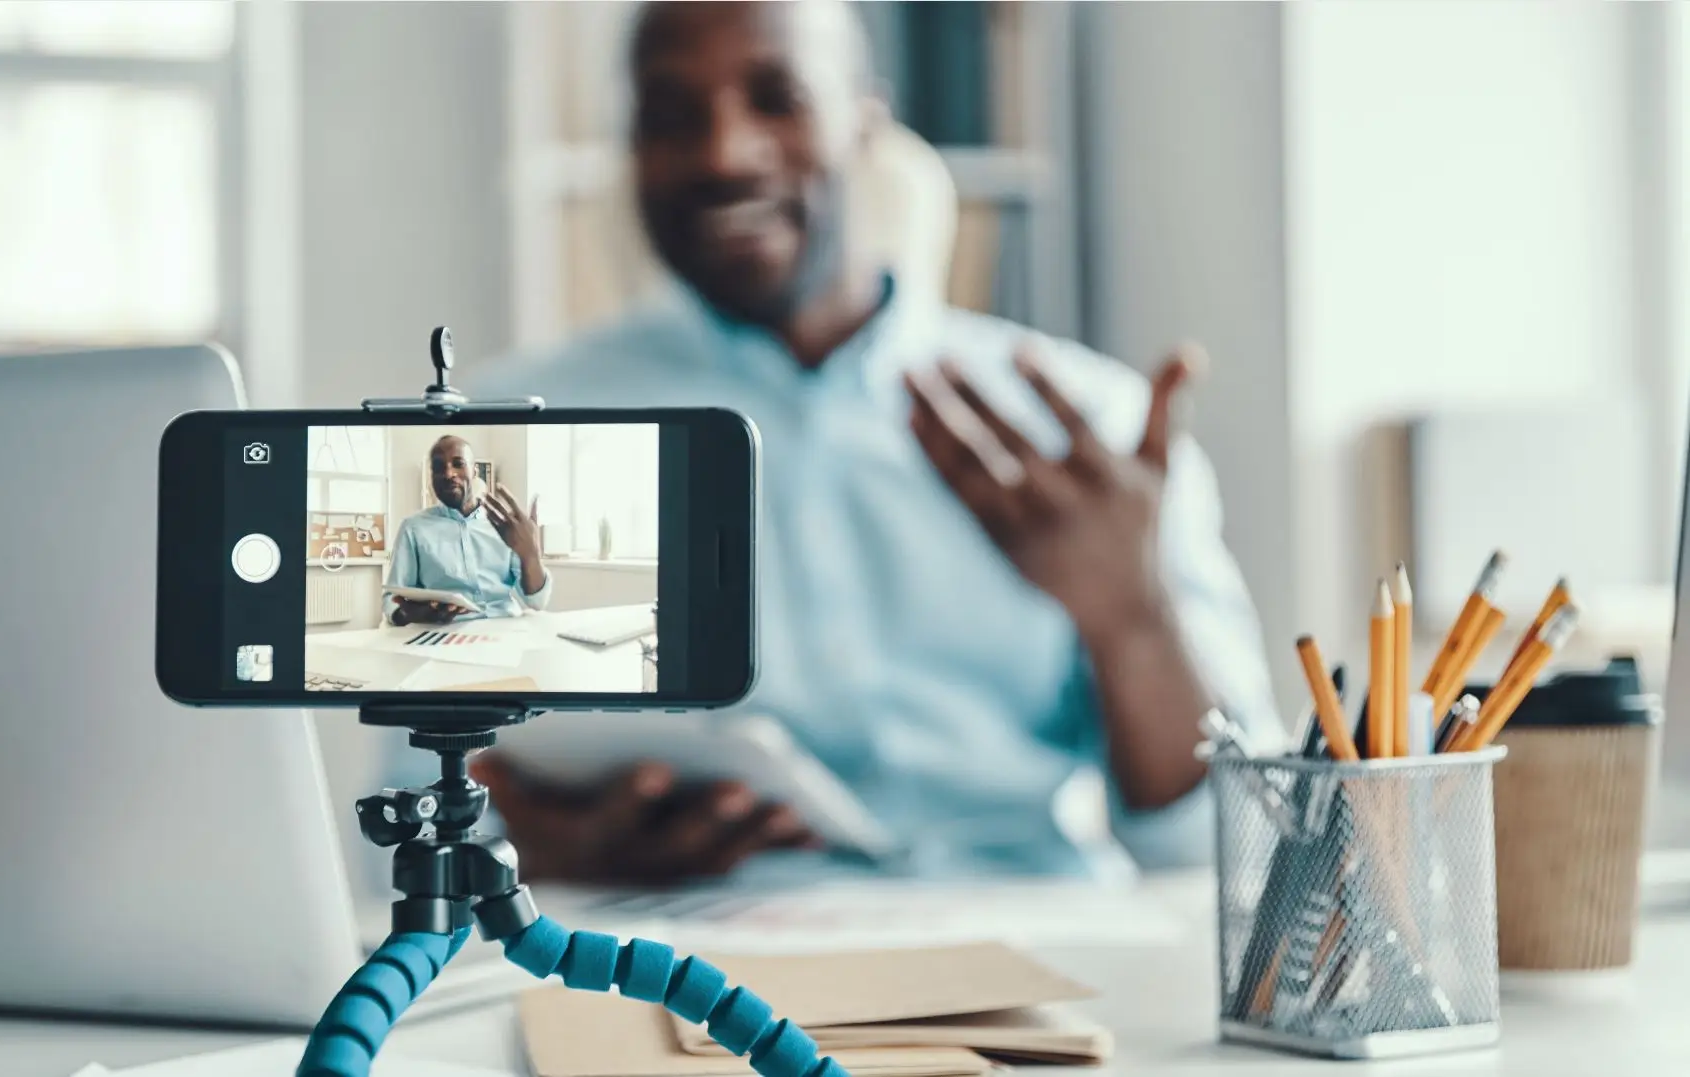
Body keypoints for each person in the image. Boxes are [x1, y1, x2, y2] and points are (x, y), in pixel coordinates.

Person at [467, 0, 1281, 885]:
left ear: (865, 120)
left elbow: (1229, 856)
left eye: (777, 97)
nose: (724, 153)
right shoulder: (512, 431)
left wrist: (1133, 618)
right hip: (676, 966)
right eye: (671, 117)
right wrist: (548, 852)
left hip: (1040, 949)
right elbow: (396, 832)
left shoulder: (1087, 432)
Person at [382, 435, 551, 625]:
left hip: (504, 628)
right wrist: (412, 615)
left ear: (474, 471)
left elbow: (536, 602)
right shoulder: (413, 528)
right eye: (438, 467)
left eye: (458, 464)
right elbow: (392, 601)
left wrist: (531, 554)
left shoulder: (506, 526)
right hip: (445, 632)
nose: (448, 474)